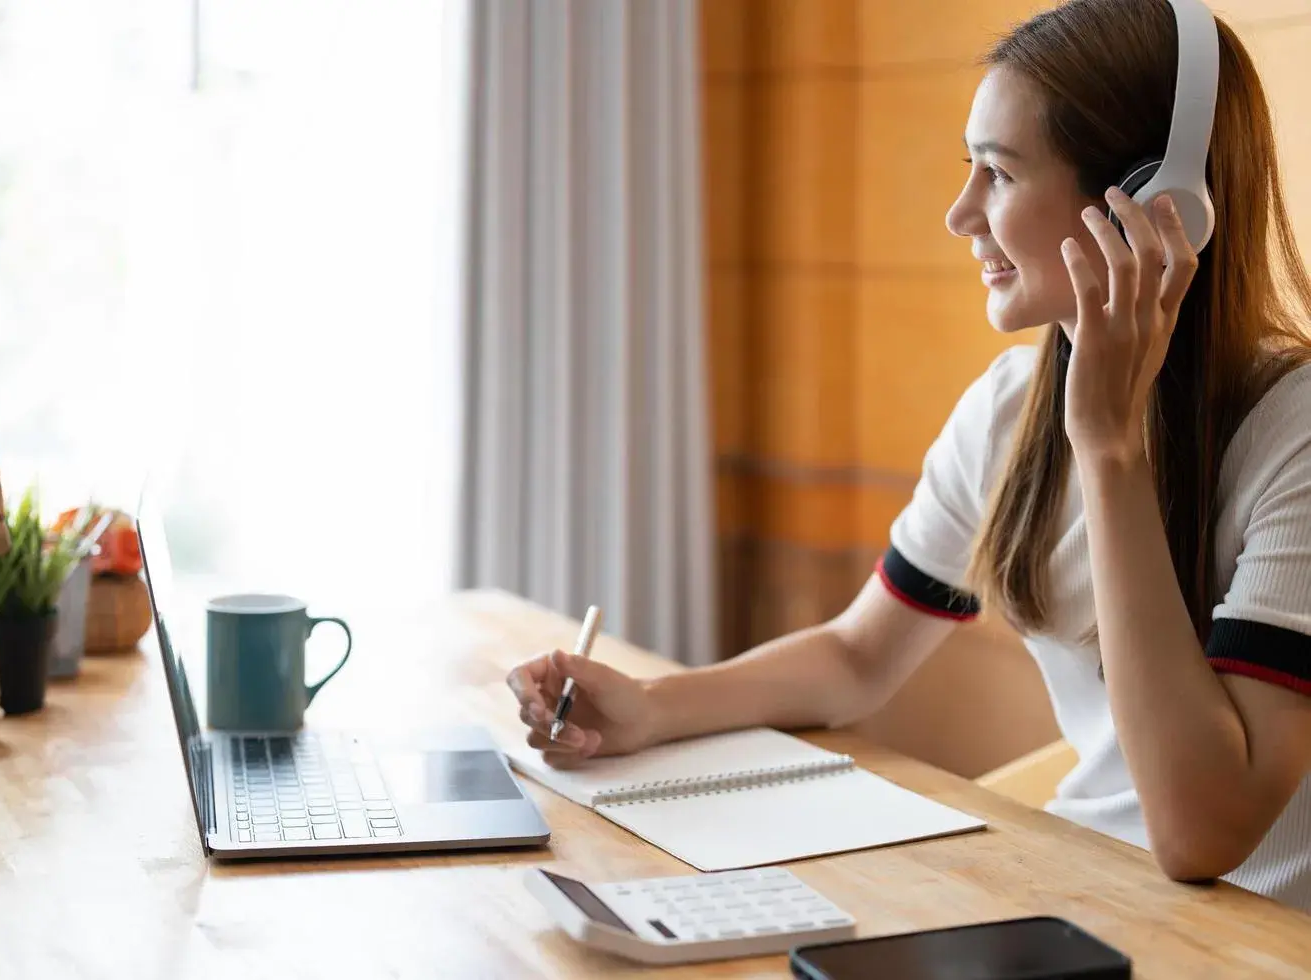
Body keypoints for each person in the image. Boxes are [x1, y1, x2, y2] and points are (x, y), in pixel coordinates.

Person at [505, 0, 1311, 911]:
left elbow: (1203, 833)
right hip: (1094, 896)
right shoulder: (1010, 411)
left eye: (999, 174)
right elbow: (858, 657)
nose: (959, 212)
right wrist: (649, 708)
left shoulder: (1297, 438)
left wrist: (1109, 449)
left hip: (1254, 939)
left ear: (1158, 209)